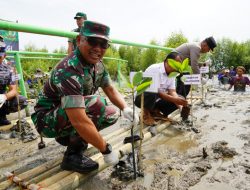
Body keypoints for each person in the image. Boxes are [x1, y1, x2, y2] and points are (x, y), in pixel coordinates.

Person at [31, 20, 139, 174]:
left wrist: (126, 107)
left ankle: (69, 137)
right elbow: (79, 120)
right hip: (46, 119)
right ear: (79, 40)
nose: (98, 48)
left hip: (68, 113)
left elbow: (109, 88)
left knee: (111, 113)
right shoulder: (69, 69)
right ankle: (72, 155)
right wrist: (106, 149)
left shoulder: (98, 64)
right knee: (96, 104)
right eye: (92, 41)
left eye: (103, 45)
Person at [134, 51, 188, 126]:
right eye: (175, 64)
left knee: (181, 98)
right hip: (142, 98)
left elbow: (172, 91)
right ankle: (145, 114)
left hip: (156, 100)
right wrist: (174, 100)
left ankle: (155, 111)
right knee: (152, 90)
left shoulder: (173, 74)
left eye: (179, 65)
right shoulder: (154, 69)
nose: (177, 67)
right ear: (166, 62)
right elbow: (157, 92)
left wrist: (180, 106)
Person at [0, 42, 27, 126]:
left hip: (1, 100)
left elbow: (14, 90)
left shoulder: (10, 69)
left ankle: (1, 117)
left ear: (5, 55)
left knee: (22, 101)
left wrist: (4, 97)